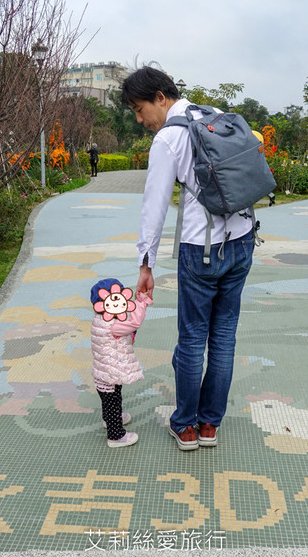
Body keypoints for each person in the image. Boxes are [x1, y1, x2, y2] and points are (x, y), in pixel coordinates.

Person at [121, 66, 255, 451]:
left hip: (202, 250)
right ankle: (210, 425)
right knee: (224, 337)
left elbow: (154, 205)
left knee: (194, 338)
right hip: (243, 239)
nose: (139, 119)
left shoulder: (170, 139)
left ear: (161, 98)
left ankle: (186, 426)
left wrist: (146, 262)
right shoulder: (212, 115)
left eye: (139, 108)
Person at [90, 277, 153, 448]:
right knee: (113, 401)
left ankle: (109, 420)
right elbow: (134, 322)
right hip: (110, 374)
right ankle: (116, 436)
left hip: (103, 373)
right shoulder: (113, 325)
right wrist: (142, 303)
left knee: (109, 400)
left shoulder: (101, 320)